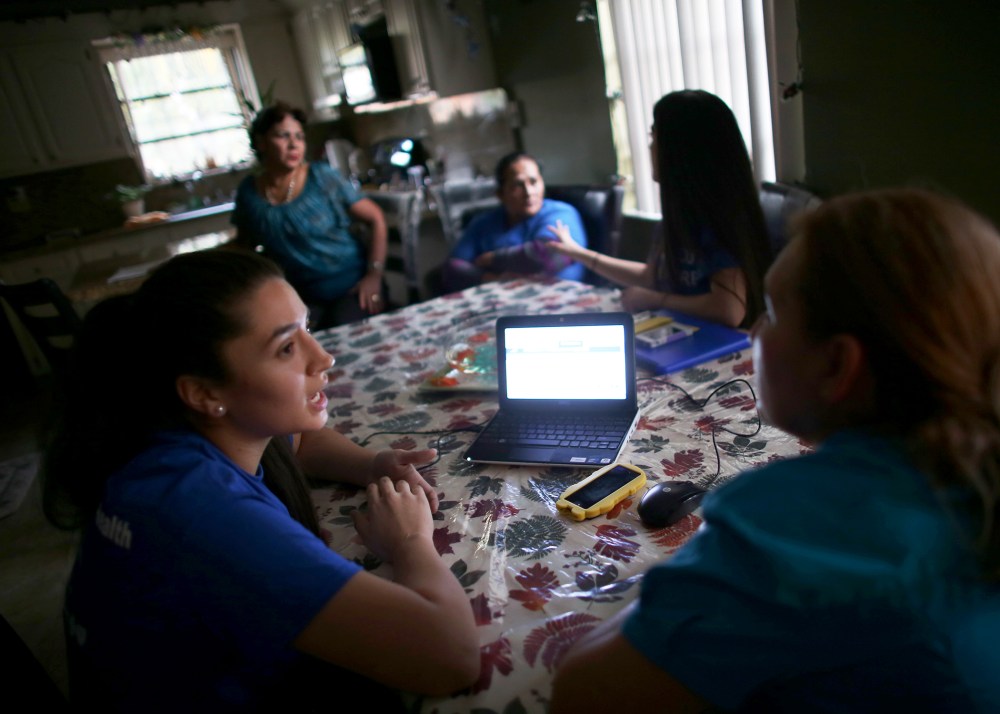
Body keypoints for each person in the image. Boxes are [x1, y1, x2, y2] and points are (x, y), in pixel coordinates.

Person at [549, 188, 1000, 712]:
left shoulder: (798, 531)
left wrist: (692, 581)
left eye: (771, 311)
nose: (755, 333)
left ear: (836, 366)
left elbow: (582, 694)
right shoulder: (966, 477)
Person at [42, 250, 479, 711]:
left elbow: (299, 445)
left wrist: (370, 465)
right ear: (205, 393)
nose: (324, 358)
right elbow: (450, 657)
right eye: (286, 348)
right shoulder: (199, 512)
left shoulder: (181, 436)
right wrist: (409, 541)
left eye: (307, 329)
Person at [549, 90, 772, 328]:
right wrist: (577, 252)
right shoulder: (679, 217)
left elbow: (729, 310)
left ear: (683, 149)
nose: (650, 147)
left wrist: (656, 300)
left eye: (655, 137)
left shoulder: (719, 221)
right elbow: (651, 276)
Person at [231, 101, 389, 330]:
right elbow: (244, 246)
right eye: (283, 136)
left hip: (351, 285)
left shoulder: (322, 176)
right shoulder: (249, 193)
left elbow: (376, 217)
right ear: (261, 142)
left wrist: (374, 275)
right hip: (297, 297)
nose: (294, 144)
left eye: (299, 136)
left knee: (338, 332)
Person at [439, 152, 588, 293]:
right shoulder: (484, 223)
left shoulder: (561, 213)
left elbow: (549, 254)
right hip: (499, 302)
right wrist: (494, 280)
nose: (529, 192)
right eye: (517, 185)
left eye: (534, 182)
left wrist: (492, 259)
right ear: (500, 194)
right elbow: (452, 268)